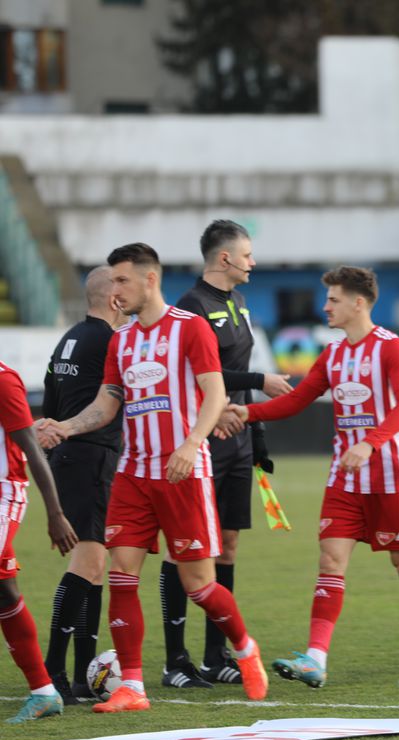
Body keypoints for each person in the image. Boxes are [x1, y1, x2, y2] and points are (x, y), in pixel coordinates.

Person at [37, 242, 268, 712]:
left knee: (199, 586)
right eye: (113, 282)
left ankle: (245, 648)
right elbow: (106, 404)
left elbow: (214, 393)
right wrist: (65, 426)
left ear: (150, 280)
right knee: (122, 574)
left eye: (122, 280)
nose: (116, 290)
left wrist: (192, 443)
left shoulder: (190, 328)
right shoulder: (120, 341)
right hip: (133, 473)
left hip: (183, 473)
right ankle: (133, 688)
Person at [223, 265, 399, 687]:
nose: (325, 307)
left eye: (334, 300)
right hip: (345, 480)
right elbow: (298, 399)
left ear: (359, 303)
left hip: (391, 478)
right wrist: (248, 412)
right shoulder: (334, 353)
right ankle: (315, 659)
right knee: (330, 560)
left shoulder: (391, 347)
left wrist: (369, 443)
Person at [160, 219, 293, 689]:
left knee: (228, 545)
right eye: (247, 254)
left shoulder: (239, 302)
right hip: (204, 438)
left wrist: (257, 438)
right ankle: (175, 660)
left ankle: (216, 656)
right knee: (185, 547)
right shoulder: (191, 306)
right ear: (224, 258)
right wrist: (258, 382)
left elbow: (235, 368)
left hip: (236, 439)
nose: (253, 262)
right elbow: (202, 372)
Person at [40, 266, 127, 704]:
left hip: (69, 458)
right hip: (91, 457)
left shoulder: (69, 339)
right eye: (123, 287)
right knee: (87, 563)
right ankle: (53, 672)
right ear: (114, 299)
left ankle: (81, 674)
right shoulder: (112, 342)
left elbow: (50, 403)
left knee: (95, 567)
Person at [1, 361, 78, 722]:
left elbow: (31, 448)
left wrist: (55, 514)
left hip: (4, 494)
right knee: (5, 594)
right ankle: (45, 693)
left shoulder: (4, 380)